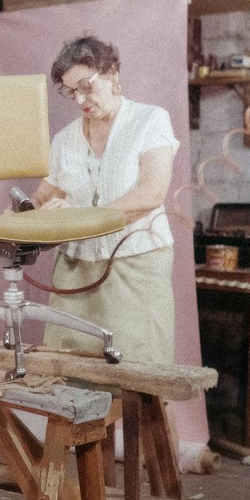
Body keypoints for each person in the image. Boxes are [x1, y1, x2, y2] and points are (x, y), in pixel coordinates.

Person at [28, 35, 179, 364]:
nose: (80, 98)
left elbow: (151, 193)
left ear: (113, 74)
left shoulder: (150, 121)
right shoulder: (65, 140)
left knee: (140, 377)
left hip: (135, 266)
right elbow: (40, 200)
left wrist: (80, 218)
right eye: (71, 91)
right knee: (70, 378)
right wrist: (21, 216)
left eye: (86, 85)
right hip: (75, 273)